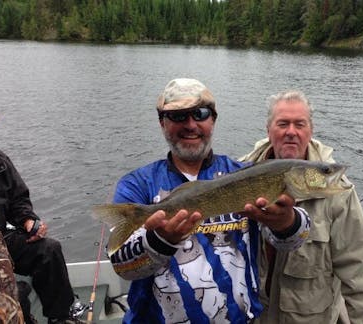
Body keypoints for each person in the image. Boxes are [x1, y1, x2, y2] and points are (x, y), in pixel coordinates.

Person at [109, 78, 311, 323]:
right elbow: (122, 266)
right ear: (162, 123)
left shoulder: (244, 173)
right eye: (178, 116)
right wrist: (160, 241)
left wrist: (286, 222)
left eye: (200, 113)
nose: (191, 124)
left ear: (213, 120)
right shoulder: (137, 185)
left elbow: (293, 241)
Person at [239, 90, 363, 324]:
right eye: (282, 124)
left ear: (310, 131)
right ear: (268, 130)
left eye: (300, 124)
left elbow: (360, 276)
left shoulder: (340, 194)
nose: (291, 132)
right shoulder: (239, 174)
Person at [0, 111, 84, 324]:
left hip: (1, 241)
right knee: (17, 296)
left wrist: (28, 221)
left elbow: (18, 199)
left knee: (48, 250)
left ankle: (61, 317)